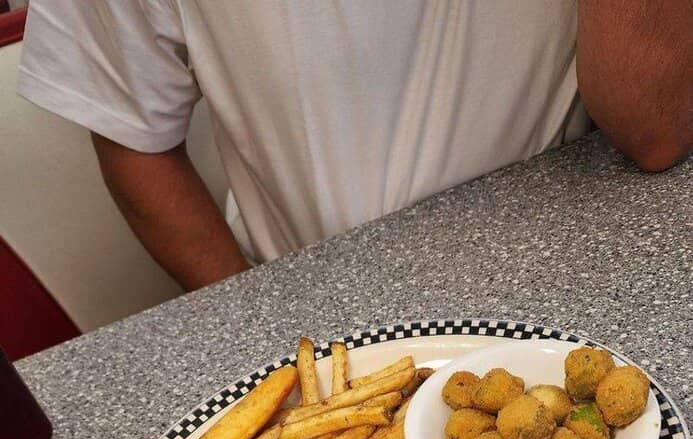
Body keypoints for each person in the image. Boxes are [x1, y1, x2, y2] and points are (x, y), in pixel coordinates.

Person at [18, 1, 691, 291]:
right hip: (319, 298)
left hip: (586, 248)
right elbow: (132, 132)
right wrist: (258, 330)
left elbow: (654, 129)